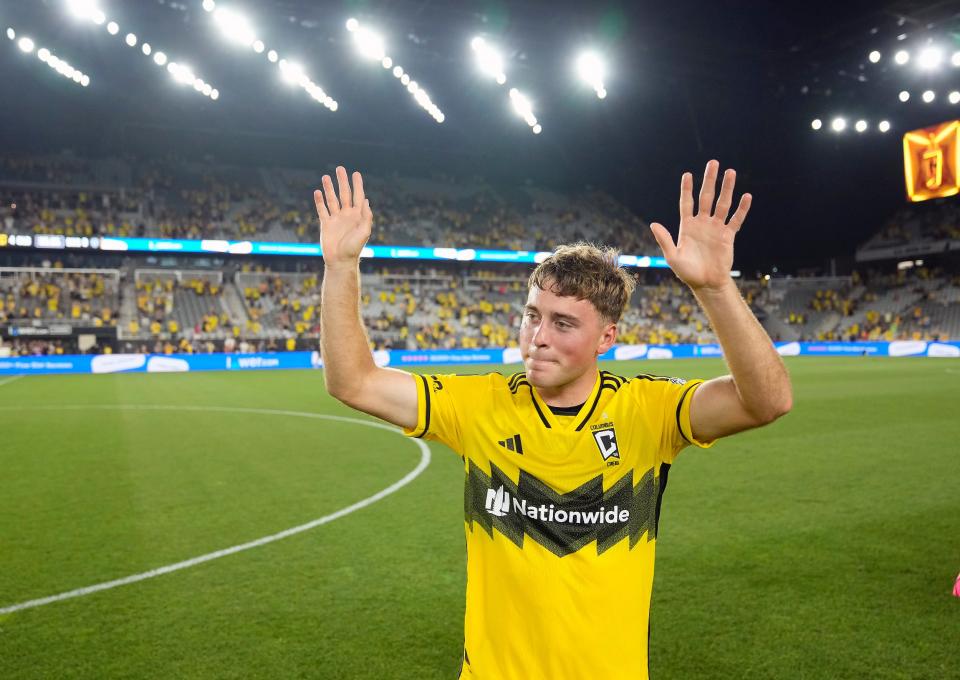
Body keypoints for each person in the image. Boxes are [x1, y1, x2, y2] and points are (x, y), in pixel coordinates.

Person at [315, 161, 792, 679]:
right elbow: (353, 382)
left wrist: (716, 289)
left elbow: (765, 402)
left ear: (606, 338)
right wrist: (341, 265)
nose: (537, 337)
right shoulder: (479, 405)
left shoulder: (649, 411)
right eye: (531, 315)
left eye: (563, 324)